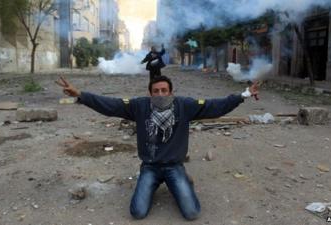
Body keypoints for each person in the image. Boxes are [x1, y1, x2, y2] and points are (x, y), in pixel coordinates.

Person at [56, 75, 259, 220]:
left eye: (164, 90)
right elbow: (110, 105)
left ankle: (180, 180)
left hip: (173, 165)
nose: (160, 94)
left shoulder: (185, 105)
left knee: (192, 213)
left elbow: (216, 106)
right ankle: (153, 183)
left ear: (171, 92)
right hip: (150, 166)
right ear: (150, 93)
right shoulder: (139, 106)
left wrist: (244, 95)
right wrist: (81, 95)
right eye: (156, 91)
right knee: (138, 213)